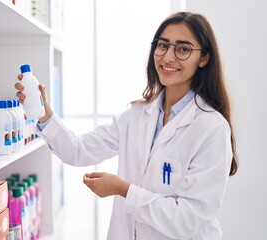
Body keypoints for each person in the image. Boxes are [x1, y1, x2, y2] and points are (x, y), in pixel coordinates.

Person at [15, 11, 238, 240]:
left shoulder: (211, 128)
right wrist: (44, 113)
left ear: (204, 58)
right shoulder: (138, 115)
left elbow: (187, 220)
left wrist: (123, 190)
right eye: (163, 45)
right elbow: (78, 151)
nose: (168, 57)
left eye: (183, 49)